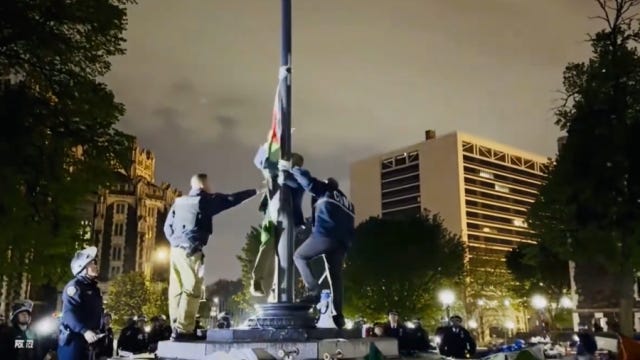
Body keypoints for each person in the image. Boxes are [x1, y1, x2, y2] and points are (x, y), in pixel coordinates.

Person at [164, 173, 259, 340]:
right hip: (191, 251)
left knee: (176, 290)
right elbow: (230, 200)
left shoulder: (178, 202)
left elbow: (167, 228)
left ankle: (176, 328)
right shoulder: (202, 200)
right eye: (209, 185)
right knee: (192, 288)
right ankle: (184, 330)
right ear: (203, 185)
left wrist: (176, 241)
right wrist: (254, 192)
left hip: (175, 251)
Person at [279, 161, 355, 329]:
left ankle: (314, 292)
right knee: (335, 277)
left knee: (299, 256)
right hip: (341, 244)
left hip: (325, 234)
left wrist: (291, 167)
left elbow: (306, 180)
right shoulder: (347, 202)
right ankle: (338, 315)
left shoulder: (325, 189)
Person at [58, 246, 104, 360]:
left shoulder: (94, 288)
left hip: (89, 340)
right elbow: (69, 313)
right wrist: (84, 331)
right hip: (74, 341)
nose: (96, 266)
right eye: (92, 263)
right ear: (82, 267)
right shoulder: (75, 286)